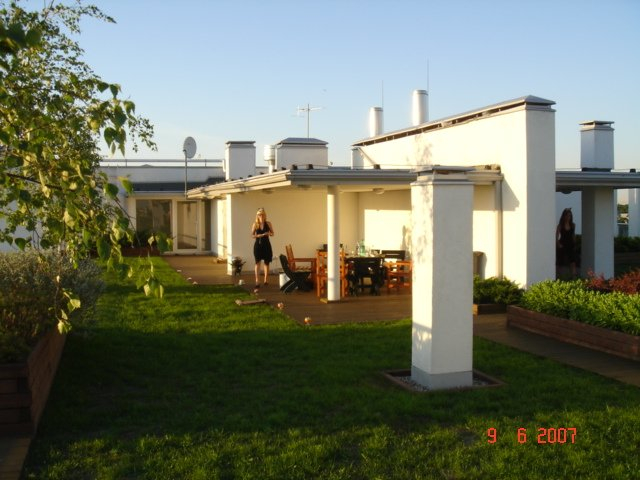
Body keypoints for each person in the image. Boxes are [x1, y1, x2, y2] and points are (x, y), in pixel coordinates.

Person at [251, 207, 274, 292]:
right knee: (257, 262)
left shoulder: (268, 223)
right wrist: (258, 235)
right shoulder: (255, 224)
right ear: (257, 215)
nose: (261, 216)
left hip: (266, 245)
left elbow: (273, 233)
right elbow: (252, 235)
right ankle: (257, 280)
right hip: (258, 245)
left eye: (262, 214)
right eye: (259, 214)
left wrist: (268, 233)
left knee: (266, 262)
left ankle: (266, 279)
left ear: (265, 215)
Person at [556, 208, 577, 278]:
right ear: (564, 216)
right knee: (560, 262)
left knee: (573, 261)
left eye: (570, 216)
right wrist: (558, 244)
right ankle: (559, 277)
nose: (568, 217)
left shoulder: (573, 225)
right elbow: (557, 236)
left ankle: (574, 277)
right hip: (562, 244)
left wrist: (575, 243)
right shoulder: (560, 226)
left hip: (570, 245)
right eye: (567, 215)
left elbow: (573, 235)